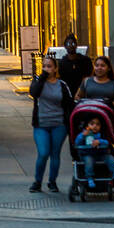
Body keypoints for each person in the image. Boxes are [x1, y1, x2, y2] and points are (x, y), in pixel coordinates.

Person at [29, 54, 75, 192]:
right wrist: (42, 78)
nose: (46, 69)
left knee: (55, 154)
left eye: (49, 66)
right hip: (41, 124)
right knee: (43, 153)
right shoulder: (38, 80)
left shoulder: (62, 85)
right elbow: (34, 93)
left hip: (58, 124)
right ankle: (37, 182)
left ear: (55, 69)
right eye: (44, 66)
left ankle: (52, 182)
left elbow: (69, 103)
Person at [73, 117, 114, 189]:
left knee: (110, 158)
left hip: (101, 154)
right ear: (87, 125)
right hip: (87, 154)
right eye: (92, 124)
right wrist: (83, 136)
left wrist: (100, 141)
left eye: (97, 124)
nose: (95, 126)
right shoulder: (83, 134)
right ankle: (89, 177)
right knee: (89, 161)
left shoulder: (101, 134)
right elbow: (77, 143)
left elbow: (107, 142)